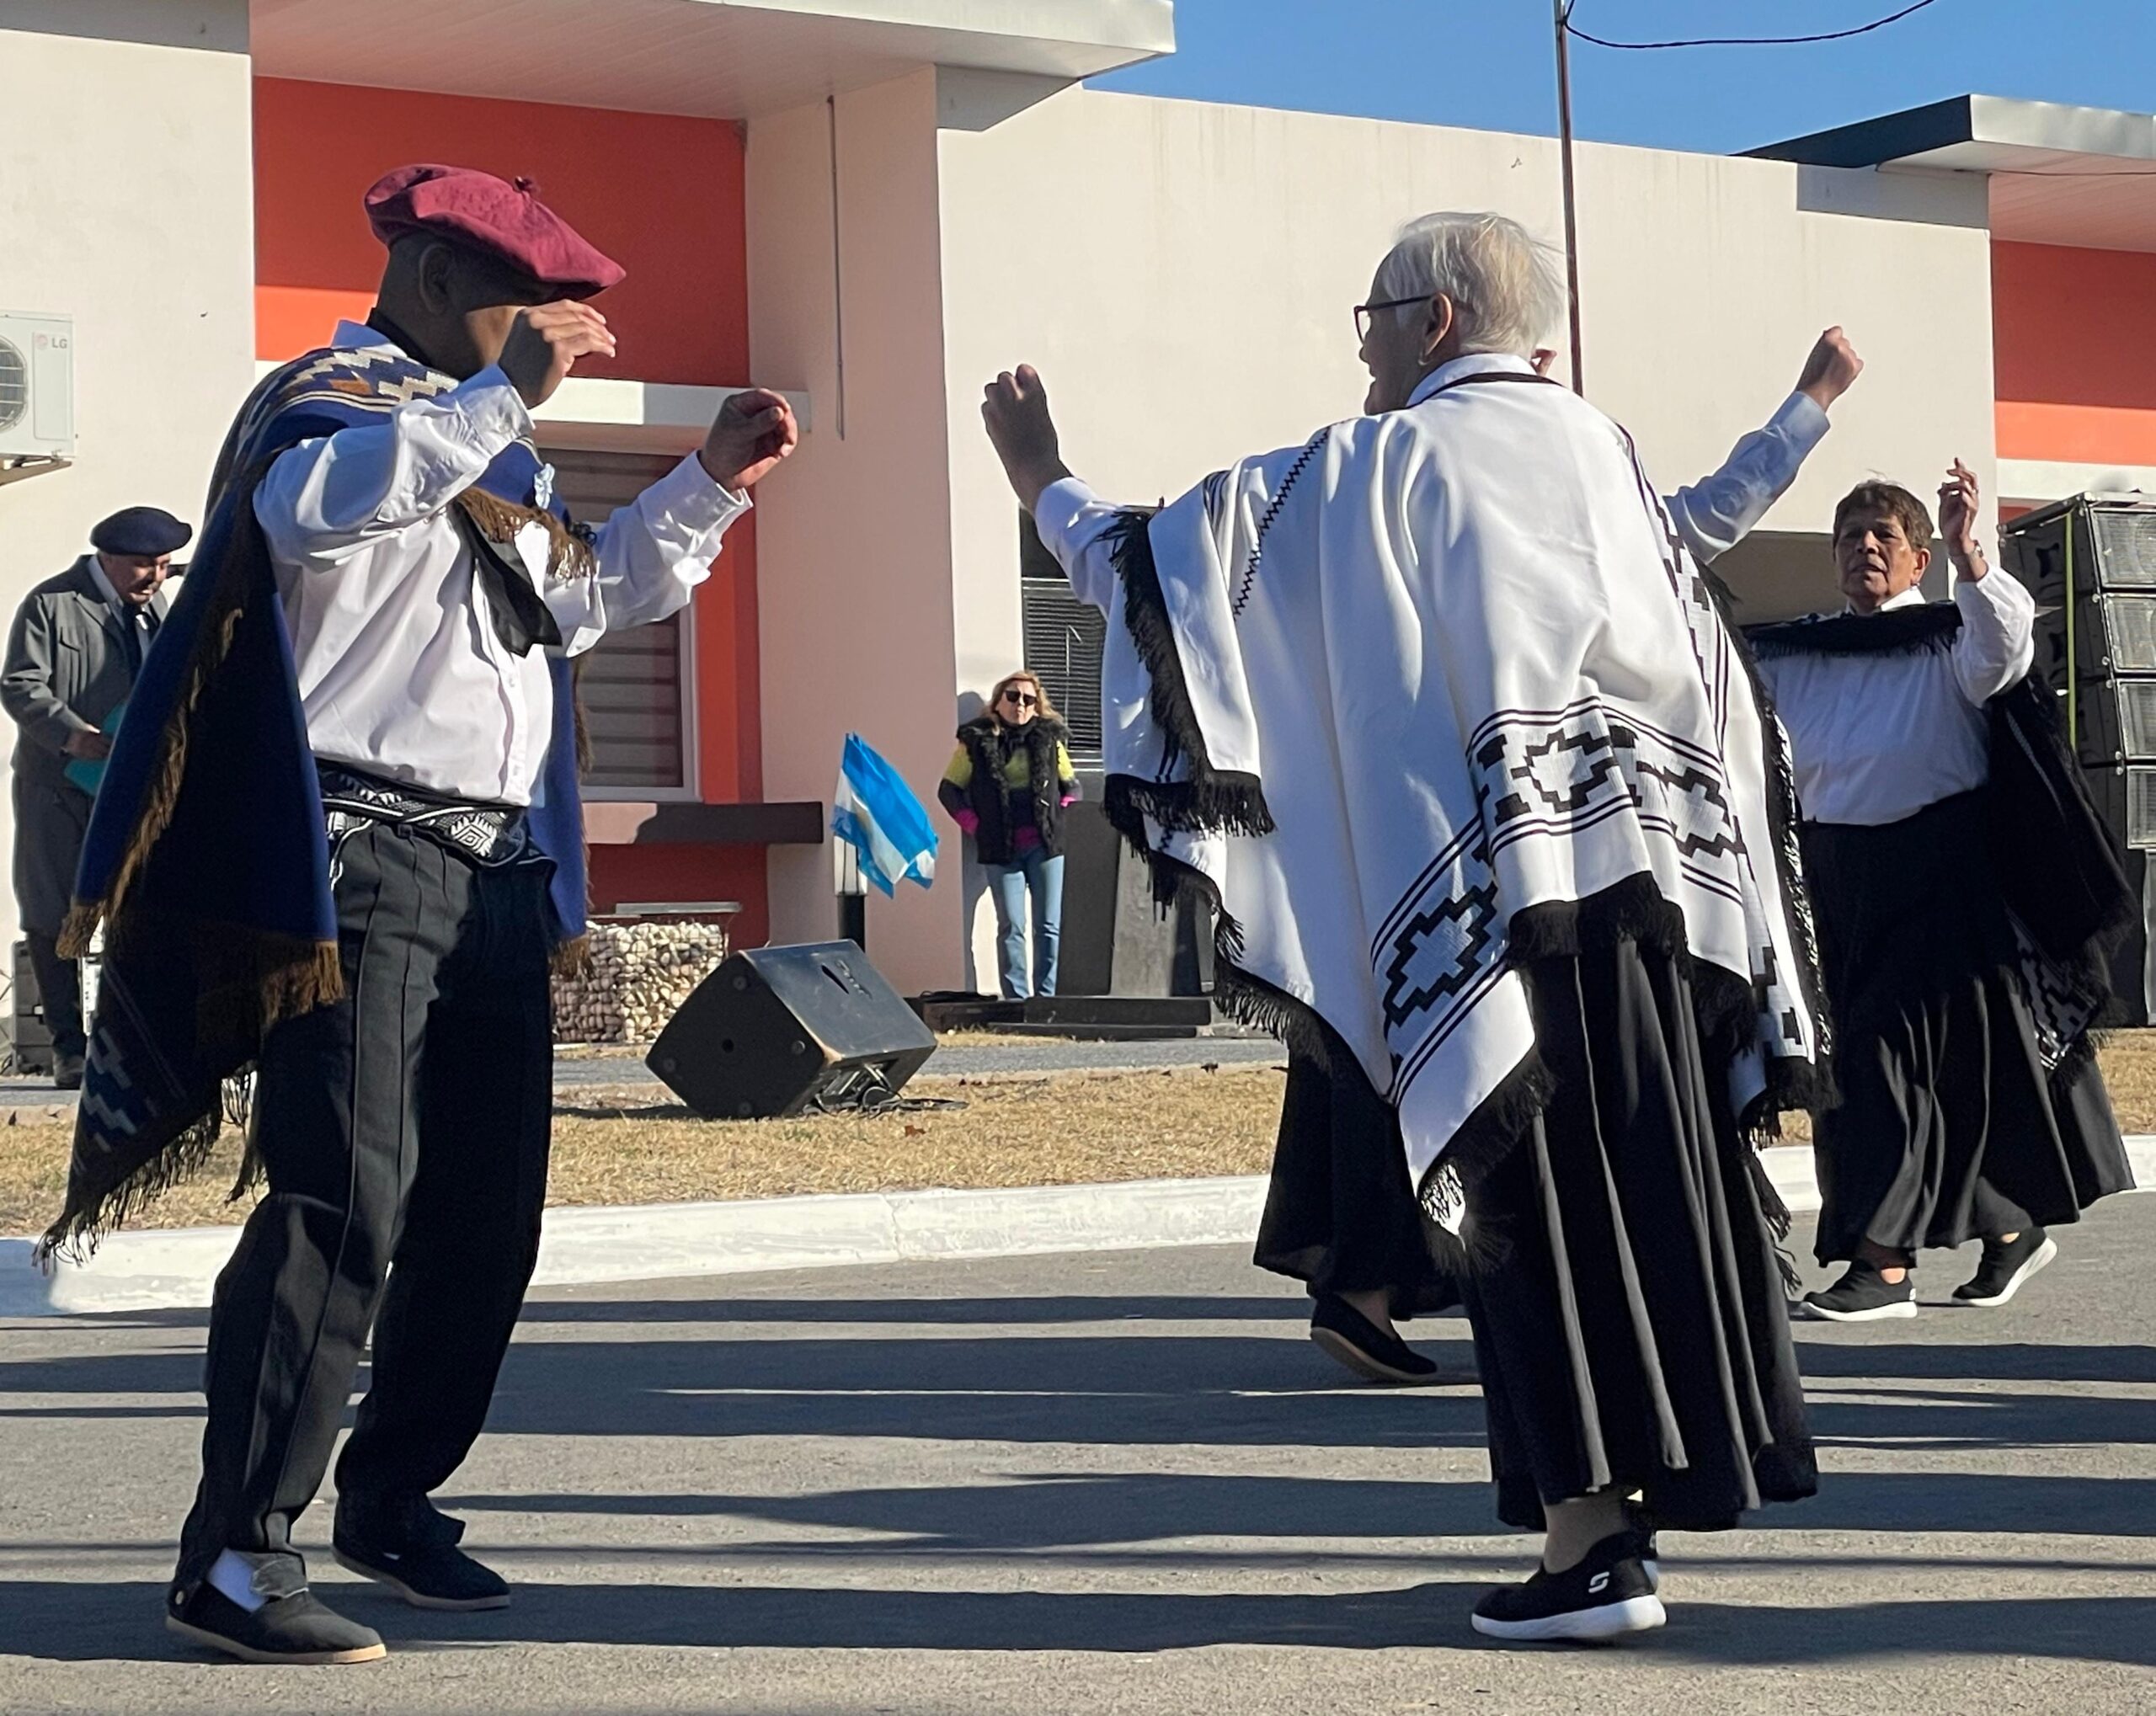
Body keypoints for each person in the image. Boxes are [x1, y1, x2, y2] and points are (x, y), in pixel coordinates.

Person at [984, 211, 1822, 1641]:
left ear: (1435, 320)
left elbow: (1169, 567)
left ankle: (1587, 1554)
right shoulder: (1600, 449)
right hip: (1660, 900)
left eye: (1371, 310)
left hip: (1507, 913)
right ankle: (1636, 1519)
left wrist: (1042, 477)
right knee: (1642, 1200)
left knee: (1537, 1221)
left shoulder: (1383, 461)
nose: (1356, 337)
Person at [37, 163, 797, 1666]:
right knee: (344, 1196)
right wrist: (498, 399)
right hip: (358, 853)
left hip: (495, 870)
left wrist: (704, 478)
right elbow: (313, 515)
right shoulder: (329, 404)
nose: (564, 338)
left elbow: (575, 608)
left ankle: (392, 1493)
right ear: (443, 281)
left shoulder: (484, 440)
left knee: (482, 1211)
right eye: (537, 308)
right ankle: (239, 1550)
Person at [1273, 328, 1866, 1387]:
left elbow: (1707, 510)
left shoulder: (1508, 519)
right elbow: (1713, 511)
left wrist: (1808, 404)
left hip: (1433, 856)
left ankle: (1371, 1291)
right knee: (1536, 1074)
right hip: (1539, 865)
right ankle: (1482, 1317)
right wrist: (1809, 399)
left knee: (1403, 1058)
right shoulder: (1432, 501)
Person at [1747, 470, 2135, 1322]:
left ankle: (1882, 1268)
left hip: (1938, 875)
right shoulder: (1794, 654)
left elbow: (2006, 651)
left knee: (1884, 1062)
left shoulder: (1949, 639)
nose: (1865, 548)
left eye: (1883, 535)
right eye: (1850, 535)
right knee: (1923, 1069)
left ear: (1917, 555)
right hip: (1831, 884)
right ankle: (2010, 1231)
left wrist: (1974, 560)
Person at [2, 506, 186, 1088]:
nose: (153, 577)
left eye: (161, 566)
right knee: (56, 914)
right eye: (141, 566)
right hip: (57, 788)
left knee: (140, 912)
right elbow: (19, 685)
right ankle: (68, 1048)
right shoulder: (52, 605)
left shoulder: (158, 610)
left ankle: (126, 1041)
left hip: (132, 791)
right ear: (107, 559)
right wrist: (70, 734)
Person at [939, 669, 1080, 998]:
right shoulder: (976, 740)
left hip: (1045, 844)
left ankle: (1046, 1000)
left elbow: (1071, 784)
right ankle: (1016, 999)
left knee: (1048, 926)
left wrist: (1062, 814)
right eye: (1013, 697)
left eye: (1029, 700)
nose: (1020, 705)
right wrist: (974, 825)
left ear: (1037, 706)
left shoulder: (1049, 738)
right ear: (998, 701)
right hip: (1001, 845)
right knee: (1011, 926)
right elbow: (948, 790)